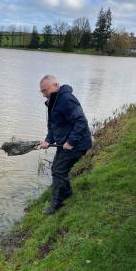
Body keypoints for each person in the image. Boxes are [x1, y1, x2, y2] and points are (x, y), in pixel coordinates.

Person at [39, 75, 92, 214]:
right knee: (58, 169)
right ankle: (67, 192)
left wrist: (70, 142)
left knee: (58, 171)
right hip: (65, 143)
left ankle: (56, 204)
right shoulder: (53, 101)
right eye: (42, 92)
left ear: (55, 85)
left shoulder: (66, 100)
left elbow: (81, 122)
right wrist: (48, 140)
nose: (44, 95)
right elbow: (53, 125)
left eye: (45, 90)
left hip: (77, 144)